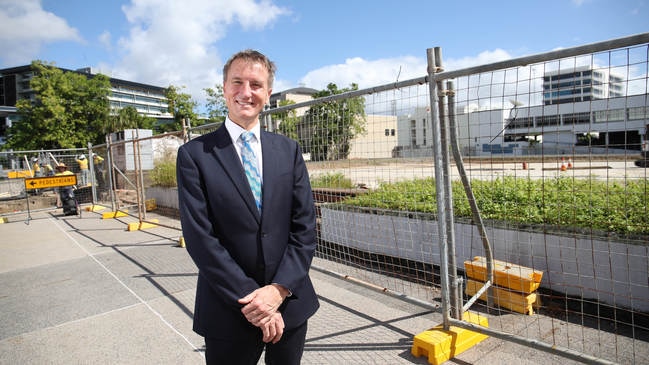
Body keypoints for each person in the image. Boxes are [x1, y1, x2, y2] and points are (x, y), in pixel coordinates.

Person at [176, 49, 318, 365]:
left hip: (290, 303)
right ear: (224, 88)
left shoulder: (288, 150)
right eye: (237, 82)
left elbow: (305, 227)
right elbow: (201, 238)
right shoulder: (194, 155)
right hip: (228, 307)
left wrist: (278, 290)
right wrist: (256, 303)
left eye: (255, 84)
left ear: (268, 93)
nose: (245, 92)